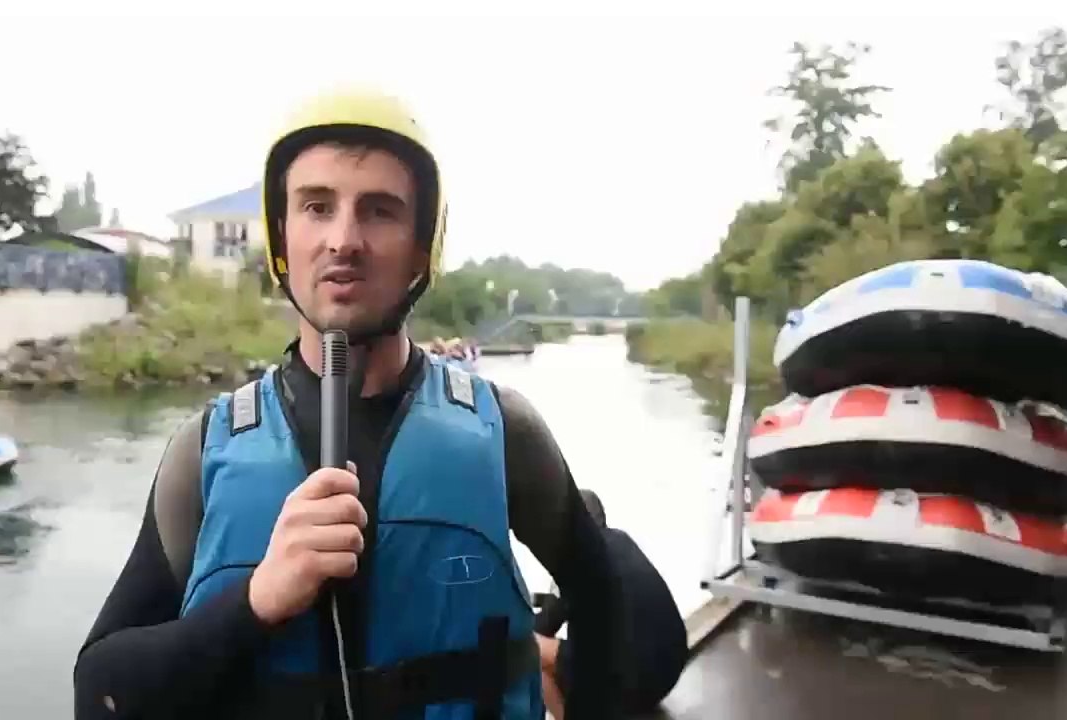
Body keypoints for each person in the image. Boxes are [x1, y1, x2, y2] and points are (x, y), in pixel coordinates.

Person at [74, 89, 624, 720]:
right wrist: (255, 600)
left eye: (380, 211)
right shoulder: (203, 451)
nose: (344, 240)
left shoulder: (505, 431)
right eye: (316, 206)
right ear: (282, 236)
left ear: (424, 248)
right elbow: (99, 694)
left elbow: (607, 610)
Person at [534, 490, 688, 719]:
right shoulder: (622, 541)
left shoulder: (572, 557)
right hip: (669, 673)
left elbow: (544, 626)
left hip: (630, 687)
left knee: (526, 647)